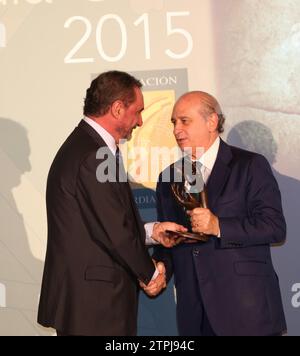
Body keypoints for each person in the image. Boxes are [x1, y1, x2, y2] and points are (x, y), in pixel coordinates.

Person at [37, 71, 186, 336]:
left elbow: (101, 225)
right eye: (137, 111)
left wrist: (152, 231)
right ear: (117, 108)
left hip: (92, 303)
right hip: (94, 305)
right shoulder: (94, 154)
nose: (140, 121)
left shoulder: (88, 147)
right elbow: (115, 231)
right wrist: (151, 274)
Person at [153, 91, 287, 336]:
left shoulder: (250, 165)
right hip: (194, 314)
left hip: (246, 311)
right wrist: (160, 267)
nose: (176, 129)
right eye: (174, 122)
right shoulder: (168, 177)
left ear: (212, 122)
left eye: (185, 121)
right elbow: (172, 243)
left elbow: (274, 226)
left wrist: (218, 226)